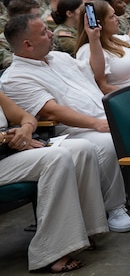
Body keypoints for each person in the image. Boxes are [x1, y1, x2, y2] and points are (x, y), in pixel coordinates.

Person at [1, 14, 130, 233]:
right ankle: (115, 208)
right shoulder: (15, 77)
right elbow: (51, 110)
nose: (51, 33)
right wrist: (96, 124)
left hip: (101, 116)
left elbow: (97, 72)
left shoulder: (59, 57)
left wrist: (94, 39)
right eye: (44, 32)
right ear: (27, 44)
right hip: (71, 131)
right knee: (107, 142)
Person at [0, 91, 109, 273]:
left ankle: (80, 233)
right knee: (56, 158)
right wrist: (5, 138)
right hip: (5, 147)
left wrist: (26, 129)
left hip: (8, 150)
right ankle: (51, 252)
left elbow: (25, 116)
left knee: (81, 148)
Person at [75, 0, 130, 94]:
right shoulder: (88, 50)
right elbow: (102, 87)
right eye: (112, 16)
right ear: (99, 22)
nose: (117, 18)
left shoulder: (113, 39)